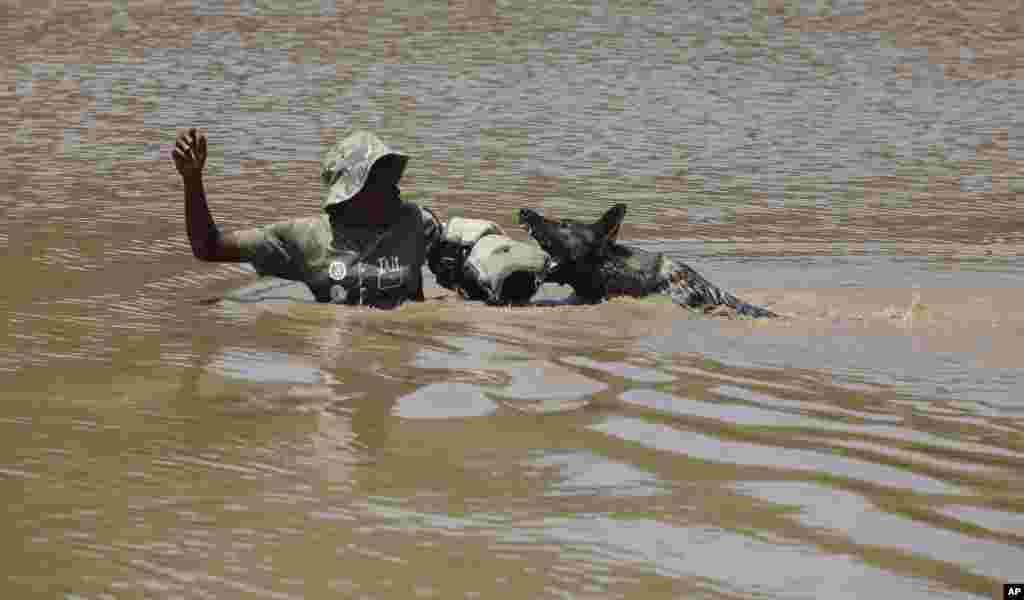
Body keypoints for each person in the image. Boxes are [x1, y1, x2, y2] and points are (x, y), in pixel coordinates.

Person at [173, 127, 549, 308]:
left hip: (405, 361)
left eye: (393, 177)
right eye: (383, 180)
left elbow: (476, 262)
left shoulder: (416, 223)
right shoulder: (304, 239)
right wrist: (193, 181)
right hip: (342, 357)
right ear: (353, 193)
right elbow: (208, 247)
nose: (397, 188)